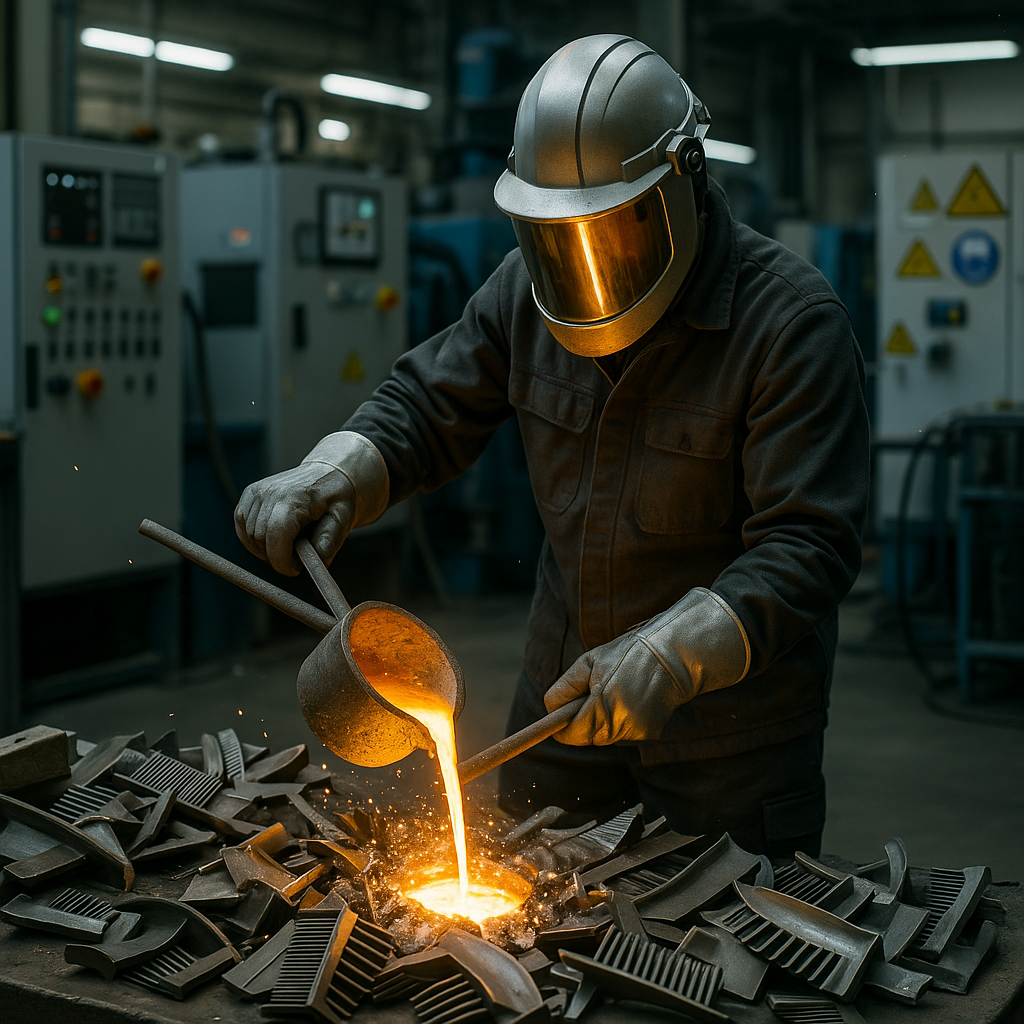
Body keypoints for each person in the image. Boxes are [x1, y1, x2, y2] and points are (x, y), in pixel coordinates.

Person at [234, 34, 869, 858]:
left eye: (608, 235)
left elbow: (809, 544)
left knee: (718, 966)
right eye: (557, 239)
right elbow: (428, 404)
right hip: (560, 719)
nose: (584, 268)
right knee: (536, 933)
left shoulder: (790, 326)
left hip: (727, 749)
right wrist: (333, 470)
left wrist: (674, 656)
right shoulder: (525, 294)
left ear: (685, 179)